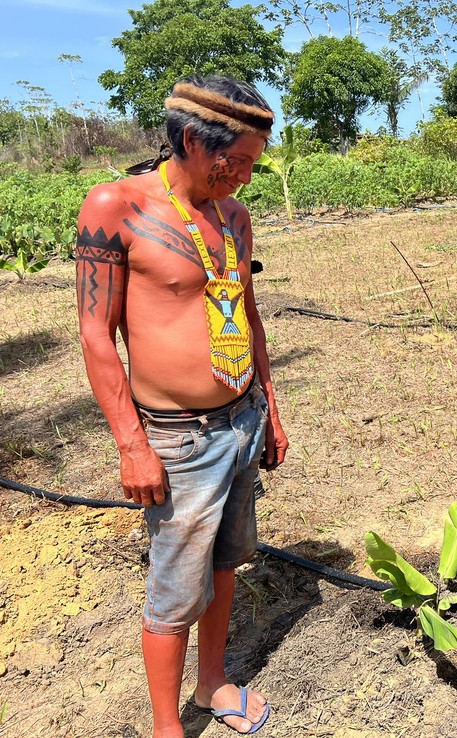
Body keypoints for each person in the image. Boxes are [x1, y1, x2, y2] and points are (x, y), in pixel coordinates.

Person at [75, 76, 289, 736]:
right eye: (238, 161)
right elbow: (95, 333)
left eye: (254, 163)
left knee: (225, 564)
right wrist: (131, 445)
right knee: (174, 593)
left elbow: (248, 315)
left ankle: (212, 683)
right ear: (194, 140)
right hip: (178, 439)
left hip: (241, 421)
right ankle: (167, 728)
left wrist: (270, 409)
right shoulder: (116, 207)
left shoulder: (233, 217)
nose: (246, 177)